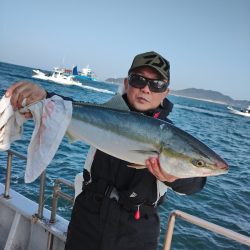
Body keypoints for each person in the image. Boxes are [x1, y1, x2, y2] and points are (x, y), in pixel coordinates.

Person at [6, 51, 206, 250]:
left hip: (136, 231)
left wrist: (174, 177)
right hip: (87, 219)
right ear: (127, 84)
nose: (146, 89)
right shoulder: (105, 113)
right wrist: (45, 97)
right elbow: (70, 110)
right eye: (138, 80)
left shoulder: (173, 138)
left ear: (166, 93)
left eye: (156, 84)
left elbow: (196, 182)